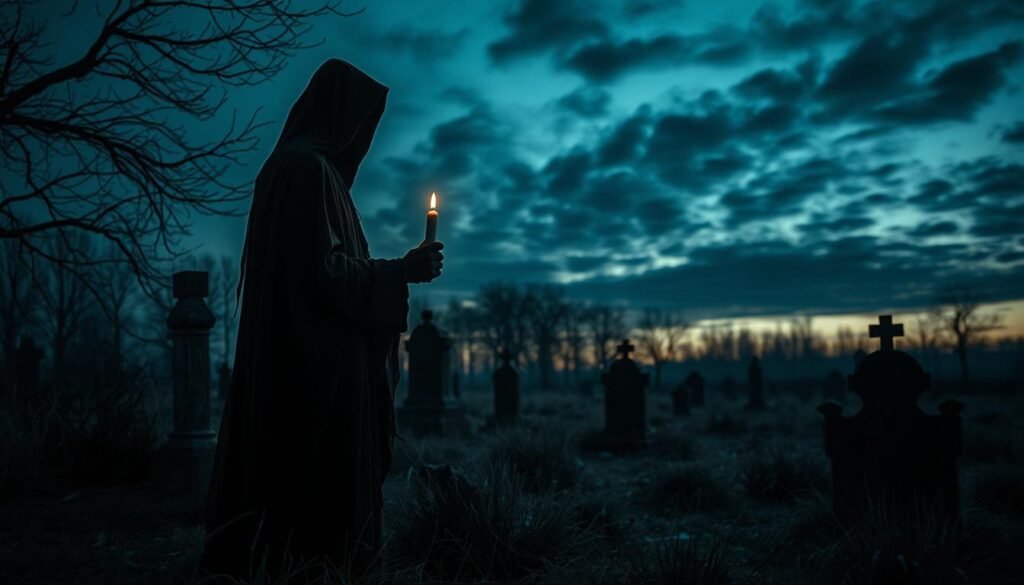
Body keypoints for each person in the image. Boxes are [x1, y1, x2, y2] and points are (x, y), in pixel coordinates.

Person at [199, 59, 444, 578]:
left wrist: (396, 273)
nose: (362, 136)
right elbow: (321, 273)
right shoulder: (304, 170)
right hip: (314, 363)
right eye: (358, 120)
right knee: (314, 481)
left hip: (317, 354)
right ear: (336, 114)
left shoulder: (312, 173)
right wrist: (401, 269)